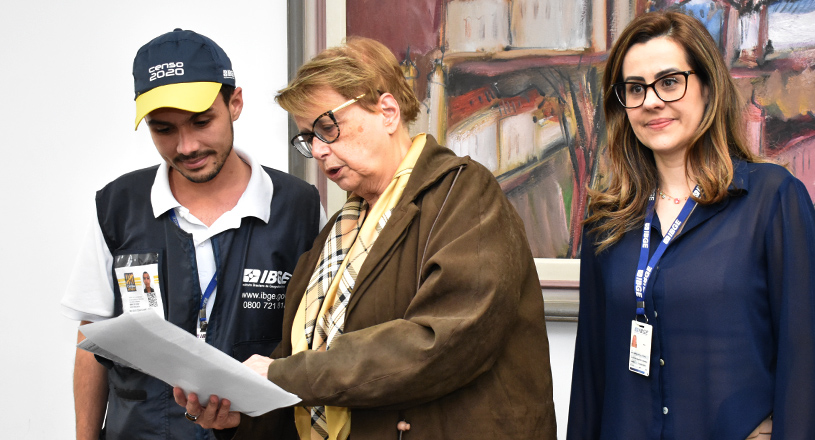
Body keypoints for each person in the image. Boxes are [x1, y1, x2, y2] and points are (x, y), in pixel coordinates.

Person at [174, 36, 557, 440]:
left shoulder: (464, 194)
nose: (318, 150)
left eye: (327, 127)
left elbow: (443, 340)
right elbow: (303, 363)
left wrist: (285, 376)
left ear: (387, 112)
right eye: (308, 137)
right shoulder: (337, 231)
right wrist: (244, 413)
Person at [567, 11, 815, 439]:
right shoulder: (606, 222)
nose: (651, 101)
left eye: (670, 82)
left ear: (707, 86)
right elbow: (589, 381)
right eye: (635, 88)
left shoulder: (772, 200)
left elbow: (803, 371)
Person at [60, 29, 324, 440]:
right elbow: (92, 338)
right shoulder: (117, 206)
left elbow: (322, 343)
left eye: (202, 122)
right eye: (163, 129)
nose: (186, 146)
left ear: (235, 103)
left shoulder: (299, 208)